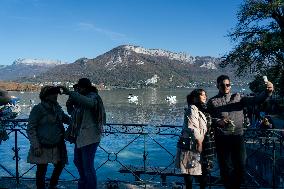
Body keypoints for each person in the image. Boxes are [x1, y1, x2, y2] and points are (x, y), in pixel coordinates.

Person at [207, 75, 274, 189]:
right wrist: (218, 121)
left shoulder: (238, 97)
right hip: (222, 139)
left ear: (230, 85)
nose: (225, 87)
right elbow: (207, 119)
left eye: (227, 84)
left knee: (241, 165)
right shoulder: (212, 101)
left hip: (238, 137)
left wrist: (267, 92)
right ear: (217, 86)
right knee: (225, 167)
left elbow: (255, 100)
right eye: (222, 85)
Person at [60, 78, 105, 189]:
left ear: (85, 87)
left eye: (79, 88)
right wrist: (69, 104)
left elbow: (89, 103)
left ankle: (89, 186)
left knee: (87, 165)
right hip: (79, 137)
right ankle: (83, 184)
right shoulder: (80, 101)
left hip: (90, 137)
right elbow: (72, 113)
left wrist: (70, 93)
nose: (78, 90)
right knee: (78, 161)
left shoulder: (93, 96)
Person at [26, 86, 70, 189]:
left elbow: (66, 119)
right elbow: (30, 129)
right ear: (45, 96)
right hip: (42, 145)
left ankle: (52, 185)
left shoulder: (57, 108)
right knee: (41, 170)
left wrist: (78, 119)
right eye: (52, 94)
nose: (55, 96)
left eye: (56, 93)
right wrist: (36, 146)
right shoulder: (38, 109)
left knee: (60, 165)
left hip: (58, 144)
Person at [175, 89, 210, 189]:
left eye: (205, 95)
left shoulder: (199, 109)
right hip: (191, 145)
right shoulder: (192, 109)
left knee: (195, 172)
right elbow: (193, 127)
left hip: (196, 145)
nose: (205, 97)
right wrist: (199, 143)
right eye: (202, 95)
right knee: (189, 173)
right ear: (195, 98)